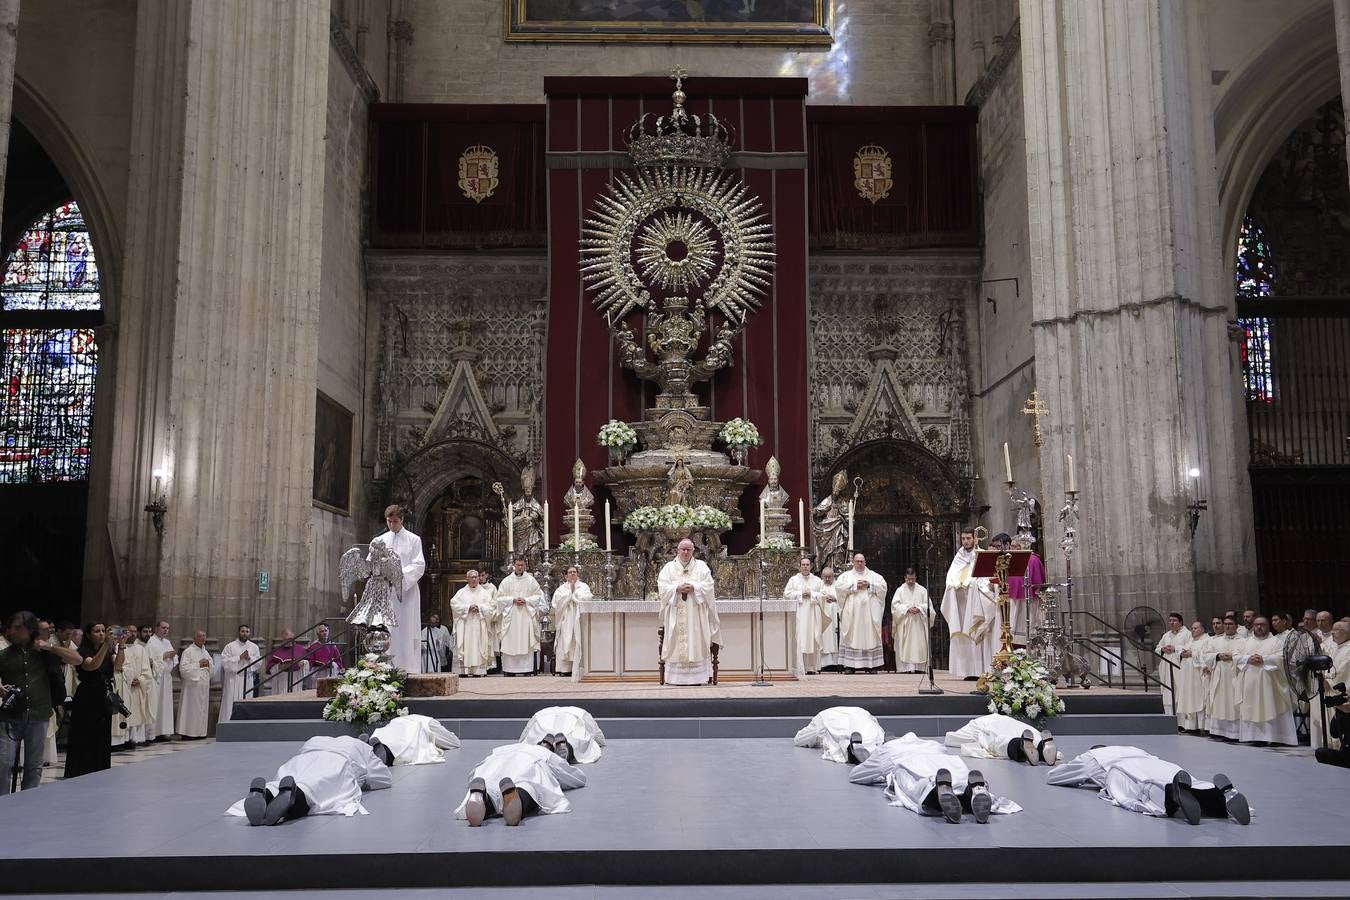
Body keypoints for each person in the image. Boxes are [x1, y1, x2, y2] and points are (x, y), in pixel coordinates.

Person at [1048, 745, 1250, 825]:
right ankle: (1217, 794)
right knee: (1182, 778)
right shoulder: (1132, 747)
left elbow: (1055, 777)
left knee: (1140, 786)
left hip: (1121, 768)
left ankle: (1172, 796)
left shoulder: (1093, 757)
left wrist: (1083, 777)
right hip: (1157, 763)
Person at [849, 732, 1021, 824]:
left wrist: (879, 774)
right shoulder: (932, 744)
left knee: (910, 783)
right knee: (956, 777)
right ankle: (974, 789)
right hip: (946, 762)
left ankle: (934, 788)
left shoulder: (888, 749)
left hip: (910, 763)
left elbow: (856, 775)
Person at [226, 735, 392, 825]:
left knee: (290, 779)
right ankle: (293, 799)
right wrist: (365, 780)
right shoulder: (360, 746)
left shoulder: (316, 739)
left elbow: (301, 751)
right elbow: (383, 778)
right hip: (337, 761)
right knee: (315, 788)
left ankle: (266, 793)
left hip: (304, 759)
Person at [0, 611, 79, 793]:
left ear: (29, 630)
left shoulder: (45, 653)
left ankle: (29, 803)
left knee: (34, 765)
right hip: (9, 717)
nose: (12, 631)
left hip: (38, 716)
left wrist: (50, 647)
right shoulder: (4, 655)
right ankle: (3, 803)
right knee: (3, 764)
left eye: (18, 628)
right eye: (11, 628)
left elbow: (77, 659)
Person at [455, 742, 586, 826]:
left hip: (494, 765)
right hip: (528, 765)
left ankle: (484, 796)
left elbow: (472, 774)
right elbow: (574, 777)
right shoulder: (544, 753)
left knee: (491, 788)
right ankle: (518, 798)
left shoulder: (501, 749)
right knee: (530, 787)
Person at [371, 504, 427, 673]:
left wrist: (398, 575)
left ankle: (408, 667)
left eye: (395, 521)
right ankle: (385, 666)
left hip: (406, 592)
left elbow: (419, 565)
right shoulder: (379, 541)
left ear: (402, 520)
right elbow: (371, 564)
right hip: (385, 592)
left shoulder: (413, 539)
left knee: (406, 628)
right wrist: (380, 572)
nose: (392, 525)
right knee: (387, 627)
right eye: (389, 521)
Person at [657, 539, 719, 685]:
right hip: (675, 612)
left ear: (693, 551)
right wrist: (676, 588)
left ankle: (698, 677)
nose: (685, 552)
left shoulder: (701, 567)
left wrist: (695, 588)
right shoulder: (669, 568)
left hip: (696, 614)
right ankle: (675, 678)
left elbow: (709, 586)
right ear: (677, 550)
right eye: (682, 549)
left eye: (688, 550)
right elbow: (662, 586)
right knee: (676, 643)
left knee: (695, 640)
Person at [65, 623, 121, 778]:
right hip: (88, 696)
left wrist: (121, 646)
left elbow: (118, 666)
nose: (102, 634)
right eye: (97, 631)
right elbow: (92, 666)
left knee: (102, 734)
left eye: (103, 631)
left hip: (103, 695)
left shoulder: (108, 651)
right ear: (89, 635)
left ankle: (100, 769)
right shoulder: (83, 651)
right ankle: (80, 771)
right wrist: (106, 646)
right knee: (85, 734)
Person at [941, 528, 999, 679]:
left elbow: (985, 578)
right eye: (963, 539)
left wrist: (972, 583)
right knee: (962, 635)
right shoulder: (958, 557)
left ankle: (979, 670)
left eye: (968, 538)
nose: (966, 541)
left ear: (974, 538)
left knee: (975, 630)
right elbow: (950, 576)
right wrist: (954, 584)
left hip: (975, 603)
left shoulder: (981, 555)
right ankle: (966, 670)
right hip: (960, 604)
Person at [1235, 616, 1295, 745]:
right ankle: (1254, 737)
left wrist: (1265, 659)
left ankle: (1276, 737)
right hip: (1250, 683)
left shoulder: (1276, 641)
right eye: (1256, 625)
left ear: (1268, 626)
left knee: (1271, 705)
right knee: (1251, 707)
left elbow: (1282, 657)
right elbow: (1236, 656)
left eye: (1262, 625)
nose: (1259, 627)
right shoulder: (1246, 642)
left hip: (1271, 683)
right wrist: (1247, 659)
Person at [834, 553, 887, 673]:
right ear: (853, 562)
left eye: (861, 561)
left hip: (869, 614)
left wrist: (869, 585)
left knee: (870, 636)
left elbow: (883, 588)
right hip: (852, 615)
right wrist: (854, 585)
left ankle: (871, 665)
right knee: (852, 635)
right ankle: (850, 666)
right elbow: (838, 588)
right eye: (857, 561)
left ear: (865, 562)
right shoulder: (846, 576)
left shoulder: (874, 576)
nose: (859, 563)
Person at [944, 713, 1058, 765]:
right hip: (1013, 724)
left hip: (990, 727)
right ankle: (1041, 746)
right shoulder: (1000, 716)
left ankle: (1019, 745)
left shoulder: (974, 725)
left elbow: (953, 739)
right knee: (1028, 734)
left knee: (997, 741)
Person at [497, 556, 545, 675]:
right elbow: (499, 598)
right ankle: (509, 669)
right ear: (514, 565)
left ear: (525, 566)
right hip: (511, 616)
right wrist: (512, 600)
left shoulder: (531, 581)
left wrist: (527, 601)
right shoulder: (506, 581)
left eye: (522, 565)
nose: (519, 567)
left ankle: (527, 669)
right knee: (511, 639)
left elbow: (538, 596)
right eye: (518, 565)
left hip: (526, 615)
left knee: (526, 639)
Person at [793, 706, 886, 763]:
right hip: (862, 714)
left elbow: (801, 739)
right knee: (871, 736)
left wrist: (818, 741)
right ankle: (881, 744)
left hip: (830, 719)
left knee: (842, 735)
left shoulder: (821, 716)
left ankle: (849, 748)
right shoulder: (861, 711)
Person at [114, 626, 156, 748]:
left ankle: (134, 739)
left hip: (138, 687)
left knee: (136, 713)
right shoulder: (118, 647)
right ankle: (123, 740)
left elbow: (147, 668)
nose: (132, 634)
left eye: (134, 632)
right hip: (124, 686)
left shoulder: (141, 649)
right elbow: (119, 666)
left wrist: (141, 679)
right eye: (129, 631)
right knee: (124, 713)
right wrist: (129, 679)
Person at [519, 706, 607, 764]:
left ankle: (543, 747)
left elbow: (524, 735)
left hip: (544, 722)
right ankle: (566, 748)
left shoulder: (540, 713)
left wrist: (521, 743)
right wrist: (601, 743)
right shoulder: (581, 712)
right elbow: (597, 734)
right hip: (572, 720)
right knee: (577, 741)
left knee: (536, 736)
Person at [784, 558, 828, 674]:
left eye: (807, 565)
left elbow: (824, 595)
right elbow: (786, 594)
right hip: (799, 613)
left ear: (811, 566)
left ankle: (811, 667)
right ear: (800, 566)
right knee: (800, 638)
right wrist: (800, 594)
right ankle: (799, 667)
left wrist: (812, 594)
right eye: (803, 564)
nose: (805, 567)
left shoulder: (817, 580)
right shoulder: (793, 580)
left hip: (813, 614)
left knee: (813, 638)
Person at [1203, 615, 1243, 741]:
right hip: (1219, 677)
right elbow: (1207, 655)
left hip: (1234, 676)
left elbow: (1246, 655)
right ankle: (1219, 731)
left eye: (1230, 624)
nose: (1227, 626)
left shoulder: (1243, 640)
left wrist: (1233, 656)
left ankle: (1235, 733)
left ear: (1236, 626)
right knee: (1219, 702)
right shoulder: (1215, 641)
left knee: (1233, 702)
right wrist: (1218, 655)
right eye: (1225, 624)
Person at [451, 569, 497, 677]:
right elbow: (454, 604)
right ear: (467, 579)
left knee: (479, 645)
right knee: (465, 645)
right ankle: (464, 670)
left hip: (479, 625)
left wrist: (480, 608)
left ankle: (478, 670)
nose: (474, 579)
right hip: (465, 625)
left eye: (476, 577)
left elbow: (491, 607)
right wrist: (467, 608)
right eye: (472, 577)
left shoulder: (484, 593)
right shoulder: (461, 593)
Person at [367, 713, 459, 765]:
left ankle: (367, 748)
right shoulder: (430, 722)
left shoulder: (406, 717)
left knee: (388, 739)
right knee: (404, 747)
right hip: (411, 729)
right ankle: (385, 754)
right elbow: (453, 742)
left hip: (395, 725)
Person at [890, 568, 934, 674]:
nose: (910, 581)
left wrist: (919, 608)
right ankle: (906, 668)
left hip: (919, 622)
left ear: (915, 578)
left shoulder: (922, 590)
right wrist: (907, 609)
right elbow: (895, 606)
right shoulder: (900, 590)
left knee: (919, 645)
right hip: (905, 622)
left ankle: (920, 668)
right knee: (905, 645)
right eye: (908, 579)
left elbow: (929, 605)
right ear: (905, 578)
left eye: (912, 579)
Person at [551, 567, 592, 678]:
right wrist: (570, 595)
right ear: (566, 576)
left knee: (577, 639)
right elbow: (556, 603)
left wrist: (574, 595)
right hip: (566, 619)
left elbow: (588, 598)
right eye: (570, 572)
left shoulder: (584, 587)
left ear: (578, 574)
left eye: (574, 572)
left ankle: (579, 667)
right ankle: (565, 669)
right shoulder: (561, 589)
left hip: (579, 619)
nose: (572, 574)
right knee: (565, 640)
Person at [177, 631, 216, 739]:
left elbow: (212, 668)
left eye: (204, 636)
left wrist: (208, 665)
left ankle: (200, 732)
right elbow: (183, 669)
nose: (202, 638)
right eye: (200, 636)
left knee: (201, 710)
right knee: (191, 710)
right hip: (192, 686)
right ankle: (188, 733)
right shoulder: (188, 651)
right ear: (195, 638)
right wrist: (198, 664)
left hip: (203, 686)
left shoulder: (206, 652)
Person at [219, 625, 260, 724]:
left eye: (247, 631)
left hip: (247, 680)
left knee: (246, 702)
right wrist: (239, 657)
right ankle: (227, 726)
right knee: (230, 703)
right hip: (233, 679)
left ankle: (245, 726)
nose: (245, 633)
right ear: (238, 632)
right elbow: (224, 662)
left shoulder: (254, 647)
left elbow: (258, 663)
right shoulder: (230, 646)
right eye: (242, 631)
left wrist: (250, 658)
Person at [1175, 621, 1210, 733]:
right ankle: (1190, 726)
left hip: (1198, 675)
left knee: (1197, 698)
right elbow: (1181, 649)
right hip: (1187, 675)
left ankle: (1200, 726)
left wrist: (1193, 654)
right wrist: (1182, 653)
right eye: (1192, 628)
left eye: (1195, 628)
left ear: (1203, 629)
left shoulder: (1207, 640)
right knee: (1188, 698)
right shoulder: (1191, 640)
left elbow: (1206, 655)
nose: (1193, 630)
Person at [1153, 612, 1190, 720]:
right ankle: (1169, 717)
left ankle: (1181, 721)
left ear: (1180, 622)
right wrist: (1163, 649)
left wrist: (1175, 648)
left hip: (1179, 665)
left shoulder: (1186, 634)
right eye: (1170, 621)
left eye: (1174, 620)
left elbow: (1189, 647)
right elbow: (1157, 649)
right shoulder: (1166, 635)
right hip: (1166, 666)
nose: (1171, 623)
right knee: (1167, 691)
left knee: (1179, 690)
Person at [144, 621, 177, 741]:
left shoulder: (167, 642)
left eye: (167, 628)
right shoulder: (151, 642)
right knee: (155, 704)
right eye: (163, 628)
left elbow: (175, 658)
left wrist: (172, 656)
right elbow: (148, 659)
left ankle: (164, 731)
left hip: (166, 677)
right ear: (157, 628)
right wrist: (164, 655)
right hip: (156, 677)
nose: (166, 630)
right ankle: (153, 733)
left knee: (165, 705)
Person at [263, 630, 307, 694]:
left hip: (295, 677)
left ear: (293, 636)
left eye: (290, 638)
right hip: (281, 677)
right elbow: (270, 666)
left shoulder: (300, 649)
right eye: (286, 638)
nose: (288, 640)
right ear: (283, 637)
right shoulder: (277, 650)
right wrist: (279, 666)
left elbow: (308, 661)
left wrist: (303, 663)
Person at [818, 566, 841, 671]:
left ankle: (836, 663)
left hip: (836, 618)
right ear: (822, 576)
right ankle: (823, 663)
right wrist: (823, 598)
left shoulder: (839, 586)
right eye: (825, 577)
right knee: (824, 638)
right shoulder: (819, 586)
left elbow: (844, 598)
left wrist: (835, 598)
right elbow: (815, 597)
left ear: (833, 576)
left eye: (830, 577)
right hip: (823, 618)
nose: (827, 579)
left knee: (835, 638)